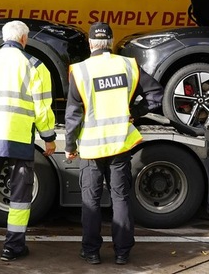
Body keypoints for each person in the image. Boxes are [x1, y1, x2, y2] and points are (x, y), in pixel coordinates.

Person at [65, 22, 163, 265]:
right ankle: (122, 253)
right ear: (110, 43)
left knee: (91, 200)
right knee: (120, 198)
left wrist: (69, 145)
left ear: (90, 44)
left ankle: (91, 252)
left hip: (91, 147)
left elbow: (73, 115)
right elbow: (156, 95)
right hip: (120, 144)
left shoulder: (80, 71)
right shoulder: (127, 65)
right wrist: (134, 111)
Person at [0, 20, 57, 261]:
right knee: (19, 198)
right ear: (24, 39)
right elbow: (43, 109)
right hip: (19, 140)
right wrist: (49, 138)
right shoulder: (36, 65)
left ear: (4, 37)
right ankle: (12, 248)